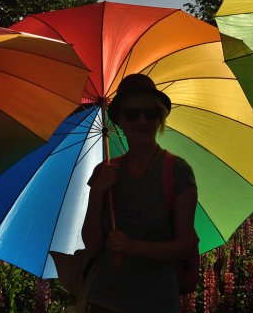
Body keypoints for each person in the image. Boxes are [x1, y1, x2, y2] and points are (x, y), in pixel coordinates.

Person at [81, 73, 198, 313]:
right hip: (105, 302)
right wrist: (97, 191)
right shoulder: (104, 171)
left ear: (160, 119)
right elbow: (92, 246)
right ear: (120, 121)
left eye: (151, 113)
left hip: (156, 303)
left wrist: (133, 247)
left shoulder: (177, 171)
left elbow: (184, 245)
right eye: (132, 114)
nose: (142, 120)